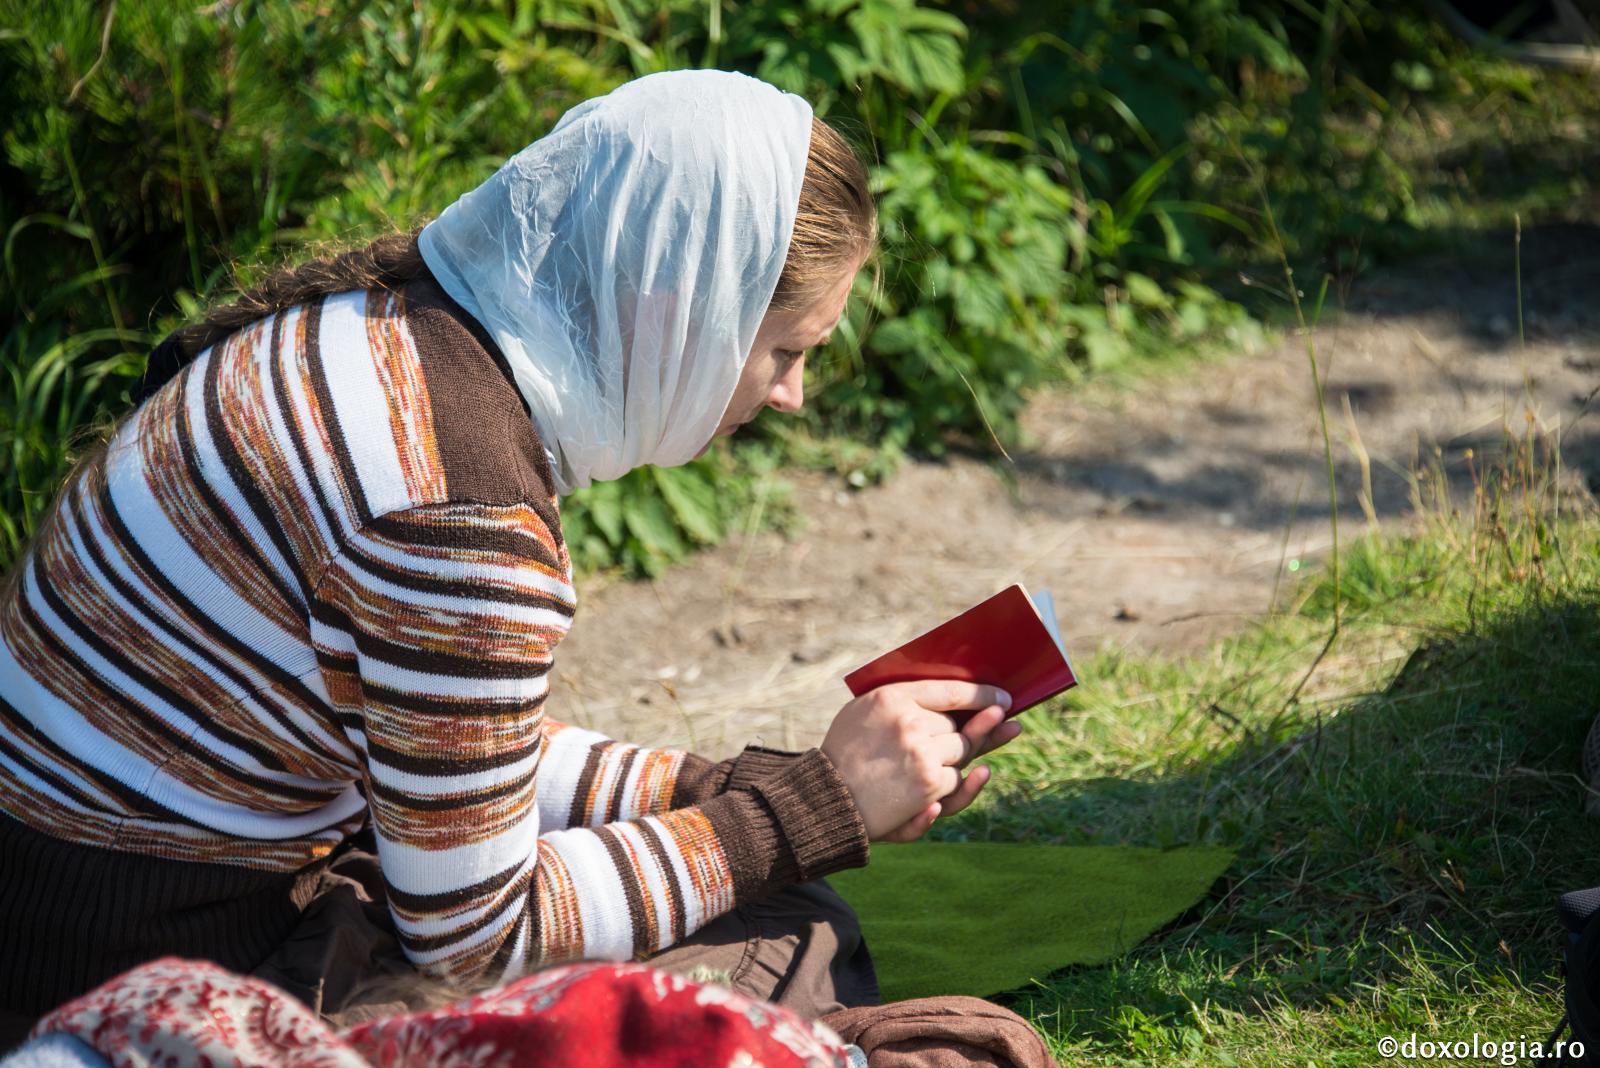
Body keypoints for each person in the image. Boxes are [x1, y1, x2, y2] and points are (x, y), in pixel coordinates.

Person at [0, 69, 1022, 1047]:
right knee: (786, 940)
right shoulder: (456, 508)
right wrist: (809, 812)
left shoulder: (370, 330)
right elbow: (477, 937)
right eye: (787, 351)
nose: (792, 394)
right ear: (688, 314)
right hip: (146, 967)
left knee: (769, 891)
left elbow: (446, 764)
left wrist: (737, 788)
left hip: (66, 903)